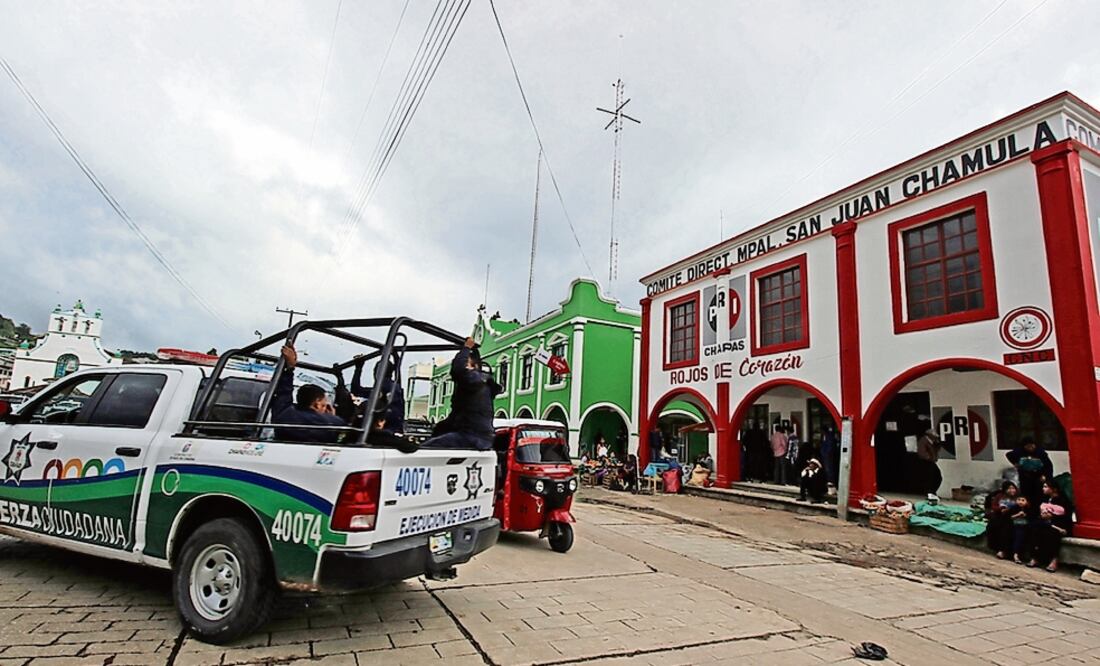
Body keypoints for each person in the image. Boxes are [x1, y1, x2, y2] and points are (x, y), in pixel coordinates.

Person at [425, 338, 502, 450]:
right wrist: (439, 428)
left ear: (474, 366)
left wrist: (466, 348)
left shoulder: (475, 379)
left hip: (470, 435)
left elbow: (458, 370)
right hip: (479, 437)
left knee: (423, 449)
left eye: (467, 363)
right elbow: (457, 415)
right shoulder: (478, 387)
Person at [271, 344, 349, 443]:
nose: (325, 410)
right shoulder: (334, 423)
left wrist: (290, 367)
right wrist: (332, 417)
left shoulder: (284, 415)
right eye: (324, 405)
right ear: (317, 403)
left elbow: (283, 392)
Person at [351, 355, 405, 434]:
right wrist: (395, 357)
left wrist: (358, 368)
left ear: (377, 373)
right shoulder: (397, 387)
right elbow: (397, 373)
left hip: (384, 432)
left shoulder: (382, 388)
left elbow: (356, 390)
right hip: (397, 430)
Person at [1027, 481, 1073, 572]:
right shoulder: (1045, 499)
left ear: (1054, 489)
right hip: (1044, 524)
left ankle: (1054, 560)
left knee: (1052, 534)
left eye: (1046, 487)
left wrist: (1053, 516)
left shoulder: (1063, 501)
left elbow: (1066, 517)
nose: (1043, 489)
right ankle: (1035, 557)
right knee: (1034, 529)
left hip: (1059, 526)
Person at [1007, 437, 1054, 504]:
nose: (1030, 448)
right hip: (1025, 476)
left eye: (1032, 446)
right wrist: (1015, 463)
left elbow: (1048, 466)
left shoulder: (1040, 453)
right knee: (1027, 494)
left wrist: (1045, 475)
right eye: (1028, 446)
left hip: (1039, 476)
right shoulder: (1020, 451)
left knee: (1039, 494)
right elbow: (1009, 455)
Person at [986, 481, 1019, 559]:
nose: (1012, 490)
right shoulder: (1000, 496)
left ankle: (1003, 551)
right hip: (999, 516)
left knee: (1006, 530)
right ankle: (997, 548)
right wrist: (1001, 509)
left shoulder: (1018, 497)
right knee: (993, 525)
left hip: (1012, 517)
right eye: (1009, 488)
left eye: (1013, 488)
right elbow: (994, 506)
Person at [916, 429, 942, 500]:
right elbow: (922, 452)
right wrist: (929, 458)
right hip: (925, 462)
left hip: (931, 461)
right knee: (931, 477)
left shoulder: (932, 442)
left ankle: (932, 492)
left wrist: (937, 444)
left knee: (937, 477)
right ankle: (930, 493)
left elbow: (936, 450)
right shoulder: (923, 440)